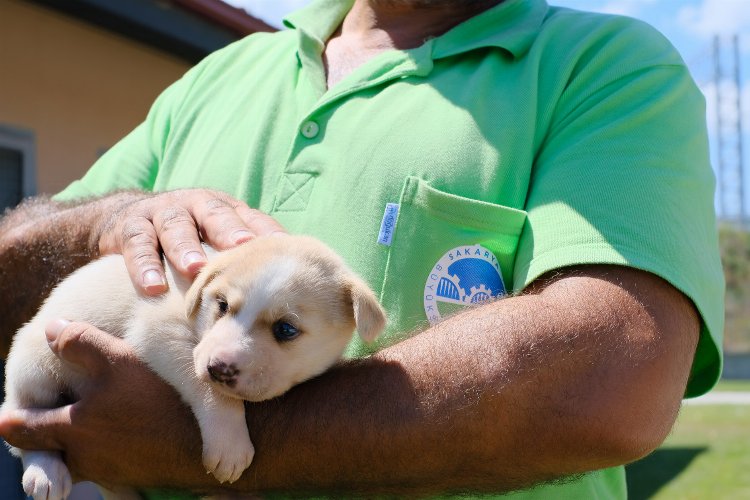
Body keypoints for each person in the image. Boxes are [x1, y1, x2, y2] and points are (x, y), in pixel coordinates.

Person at [0, 0, 724, 498]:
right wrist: (106, 220)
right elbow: (15, 275)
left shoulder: (605, 69)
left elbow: (612, 380)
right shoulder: (220, 76)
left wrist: (207, 437)